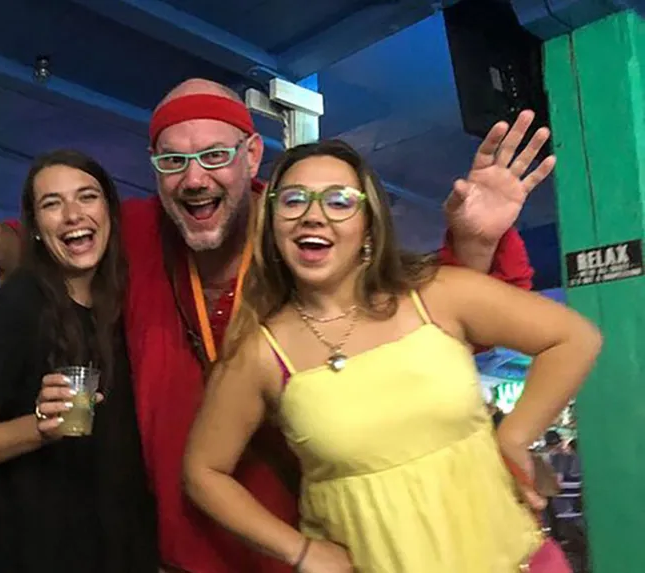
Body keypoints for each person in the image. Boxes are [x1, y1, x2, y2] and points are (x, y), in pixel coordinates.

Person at [0, 78, 556, 572]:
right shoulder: (143, 232)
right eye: (174, 160)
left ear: (251, 157)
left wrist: (472, 243)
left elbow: (426, 318)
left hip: (313, 545)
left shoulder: (304, 227)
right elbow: (59, 256)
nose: (195, 176)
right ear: (157, 170)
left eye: (214, 156)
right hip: (178, 548)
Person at [181, 140, 600, 572]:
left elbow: (574, 337)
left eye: (340, 200)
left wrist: (513, 436)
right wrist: (300, 551)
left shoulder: (436, 293)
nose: (313, 213)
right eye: (293, 200)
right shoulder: (261, 353)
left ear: (369, 224)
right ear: (272, 224)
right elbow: (203, 471)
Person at [0, 150, 157, 573]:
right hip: (4, 542)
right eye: (52, 204)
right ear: (36, 228)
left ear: (110, 213)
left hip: (79, 537)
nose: (73, 214)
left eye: (87, 197)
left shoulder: (115, 309)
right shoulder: (17, 305)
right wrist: (39, 426)